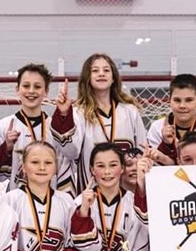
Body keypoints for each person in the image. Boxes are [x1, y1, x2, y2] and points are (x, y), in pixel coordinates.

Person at [51, 53, 148, 191]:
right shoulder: (79, 112)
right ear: (87, 78)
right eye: (95, 70)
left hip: (127, 194)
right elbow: (70, 152)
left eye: (106, 70)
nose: (101, 74)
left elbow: (142, 152)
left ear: (114, 77)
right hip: (92, 195)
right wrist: (65, 114)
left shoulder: (130, 111)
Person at [0, 64, 73, 193]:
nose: (31, 91)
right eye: (26, 86)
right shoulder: (4, 125)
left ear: (46, 91)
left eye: (37, 86)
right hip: (16, 204)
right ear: (17, 89)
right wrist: (6, 148)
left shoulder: (54, 127)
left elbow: (64, 168)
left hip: (49, 203)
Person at [146, 73, 196, 164]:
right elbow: (153, 170)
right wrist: (165, 145)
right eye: (177, 100)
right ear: (169, 101)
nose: (182, 106)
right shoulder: (157, 128)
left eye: (189, 100)